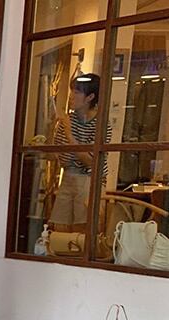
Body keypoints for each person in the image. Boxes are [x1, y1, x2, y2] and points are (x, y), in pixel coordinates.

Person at [50, 73, 112, 233]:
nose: (71, 96)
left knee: (83, 229)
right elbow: (58, 154)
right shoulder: (68, 119)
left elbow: (91, 161)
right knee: (59, 228)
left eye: (77, 92)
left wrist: (70, 134)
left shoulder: (101, 124)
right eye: (72, 91)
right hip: (68, 176)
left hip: (89, 179)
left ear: (90, 97)